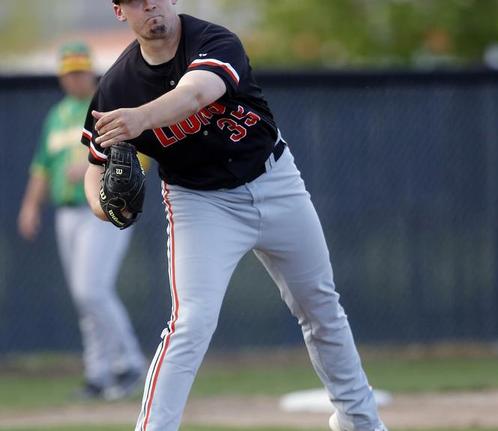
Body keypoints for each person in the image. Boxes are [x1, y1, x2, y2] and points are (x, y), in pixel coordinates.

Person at [81, 1, 387, 430]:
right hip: (200, 204)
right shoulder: (118, 87)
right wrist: (104, 206)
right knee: (190, 323)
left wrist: (139, 119)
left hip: (274, 180)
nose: (149, 3)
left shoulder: (213, 40)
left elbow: (197, 93)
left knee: (320, 306)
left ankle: (361, 423)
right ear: (120, 12)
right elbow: (94, 165)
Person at [17, 41, 146, 400]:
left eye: (79, 71)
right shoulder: (57, 116)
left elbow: (134, 157)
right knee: (84, 297)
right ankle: (98, 374)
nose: (74, 78)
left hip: (102, 211)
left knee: (92, 290)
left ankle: (130, 362)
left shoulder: (106, 104)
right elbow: (41, 167)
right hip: (66, 213)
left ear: (91, 70)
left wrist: (95, 166)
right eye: (68, 72)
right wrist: (30, 206)